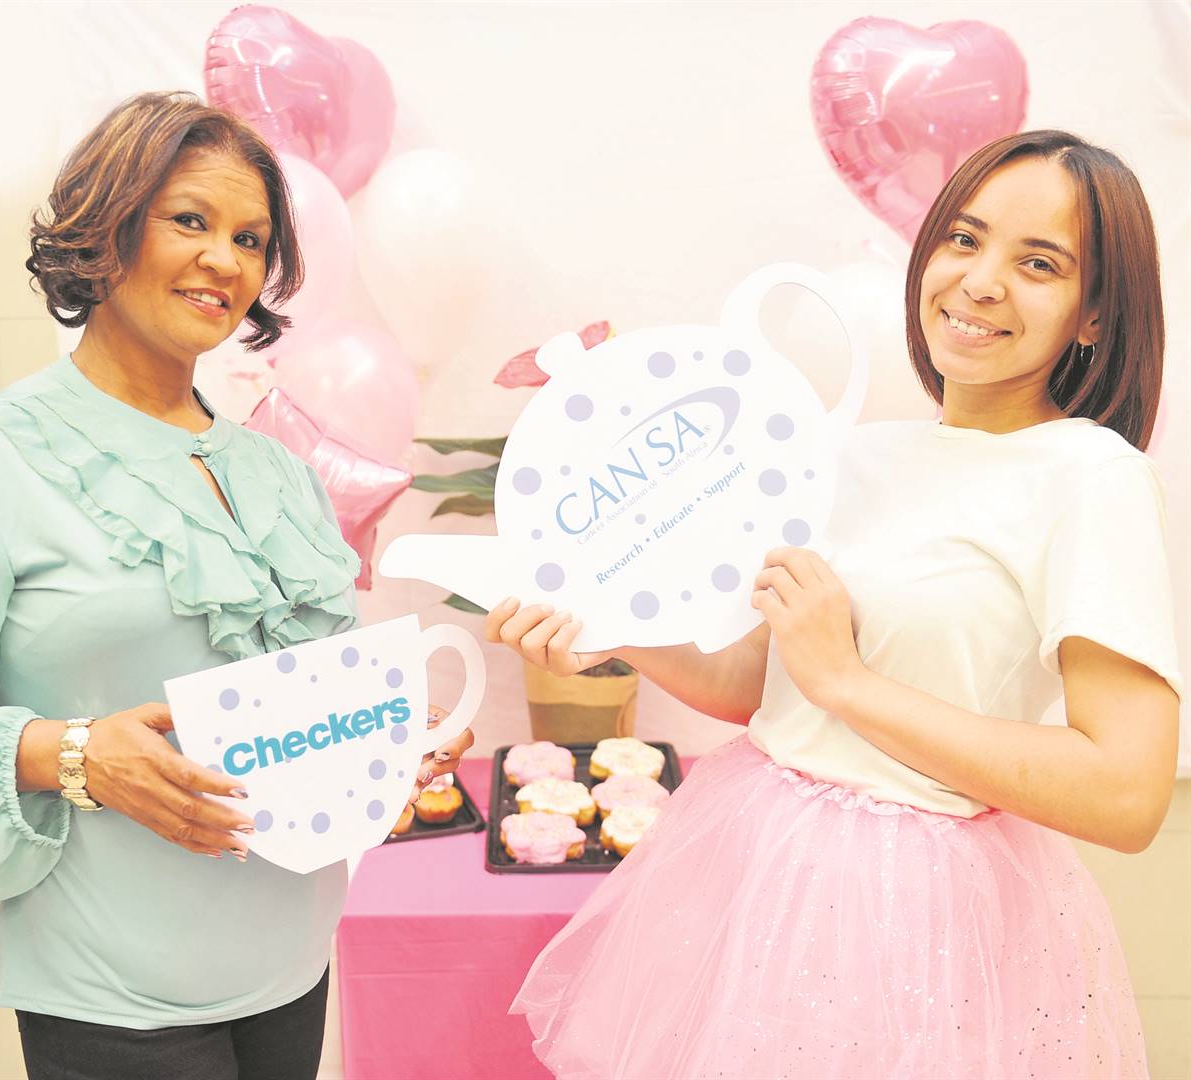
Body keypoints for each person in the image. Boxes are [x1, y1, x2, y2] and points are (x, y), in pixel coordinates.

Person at [486, 130, 1182, 1079]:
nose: (980, 282)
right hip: (749, 867)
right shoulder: (854, 454)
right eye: (964, 238)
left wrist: (847, 682)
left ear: (1093, 315)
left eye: (1038, 263)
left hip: (921, 921)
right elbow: (760, 688)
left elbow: (1125, 792)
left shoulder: (1089, 475)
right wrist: (607, 628)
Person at [0, 92, 472, 1080]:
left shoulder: (279, 471)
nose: (226, 261)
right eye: (190, 220)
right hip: (113, 994)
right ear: (106, 226)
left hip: (292, 965)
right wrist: (70, 753)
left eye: (250, 239)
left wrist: (381, 741)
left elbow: (310, 694)